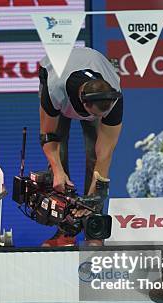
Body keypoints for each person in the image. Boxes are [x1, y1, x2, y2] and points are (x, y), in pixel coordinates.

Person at [38, 47, 123, 247]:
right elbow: (47, 137)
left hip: (92, 65)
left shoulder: (114, 97)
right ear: (84, 106)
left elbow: (105, 153)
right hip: (55, 70)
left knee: (95, 156)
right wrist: (58, 171)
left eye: (105, 115)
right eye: (96, 116)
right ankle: (63, 231)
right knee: (60, 157)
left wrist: (93, 198)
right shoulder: (54, 91)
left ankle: (93, 228)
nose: (101, 119)